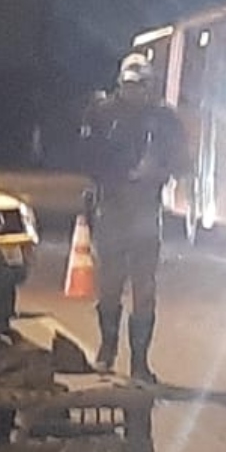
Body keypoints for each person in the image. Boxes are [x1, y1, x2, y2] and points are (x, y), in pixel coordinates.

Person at [80, 52, 189, 383]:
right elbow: (86, 156)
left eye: (141, 86)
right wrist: (119, 173)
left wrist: (159, 170)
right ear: (120, 84)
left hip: (145, 209)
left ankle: (139, 363)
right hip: (112, 206)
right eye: (129, 85)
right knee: (109, 286)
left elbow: (182, 160)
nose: (135, 92)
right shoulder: (101, 113)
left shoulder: (164, 119)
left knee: (144, 289)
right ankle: (107, 349)